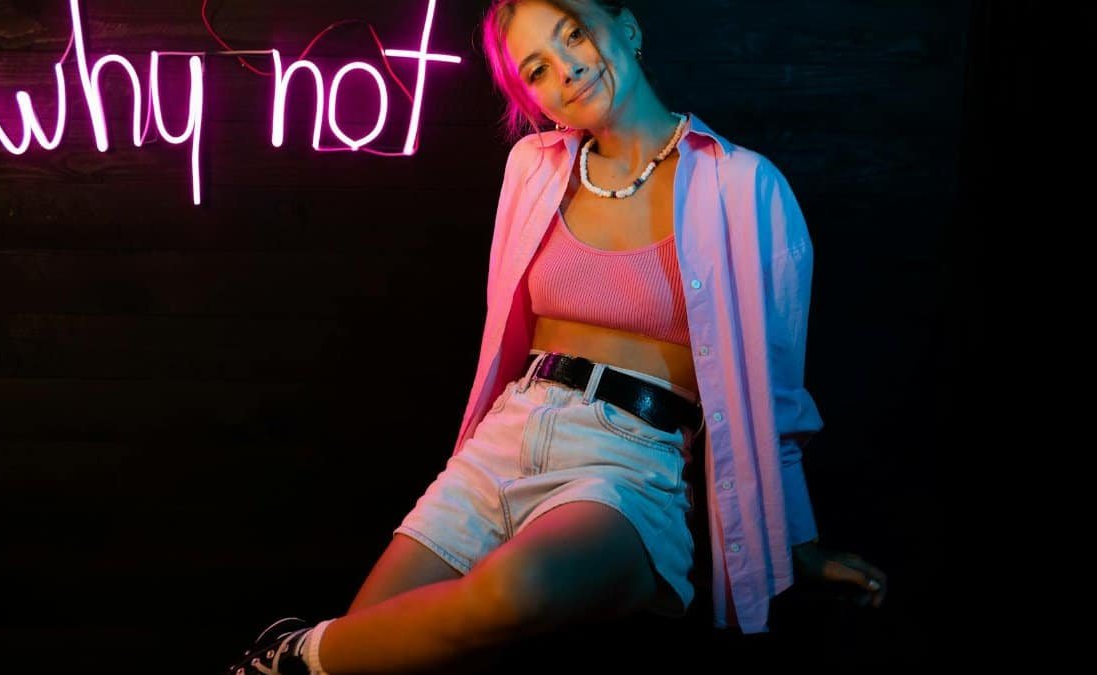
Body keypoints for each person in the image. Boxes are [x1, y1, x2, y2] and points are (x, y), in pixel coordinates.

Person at [226, 1, 887, 673]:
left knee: (514, 591)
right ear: (534, 98)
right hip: (506, 438)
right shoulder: (532, 169)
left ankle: (289, 647)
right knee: (369, 644)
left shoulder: (743, 186)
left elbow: (775, 392)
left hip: (629, 462)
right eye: (537, 68)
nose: (567, 68)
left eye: (574, 33)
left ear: (627, 26)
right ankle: (300, 650)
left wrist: (795, 543)